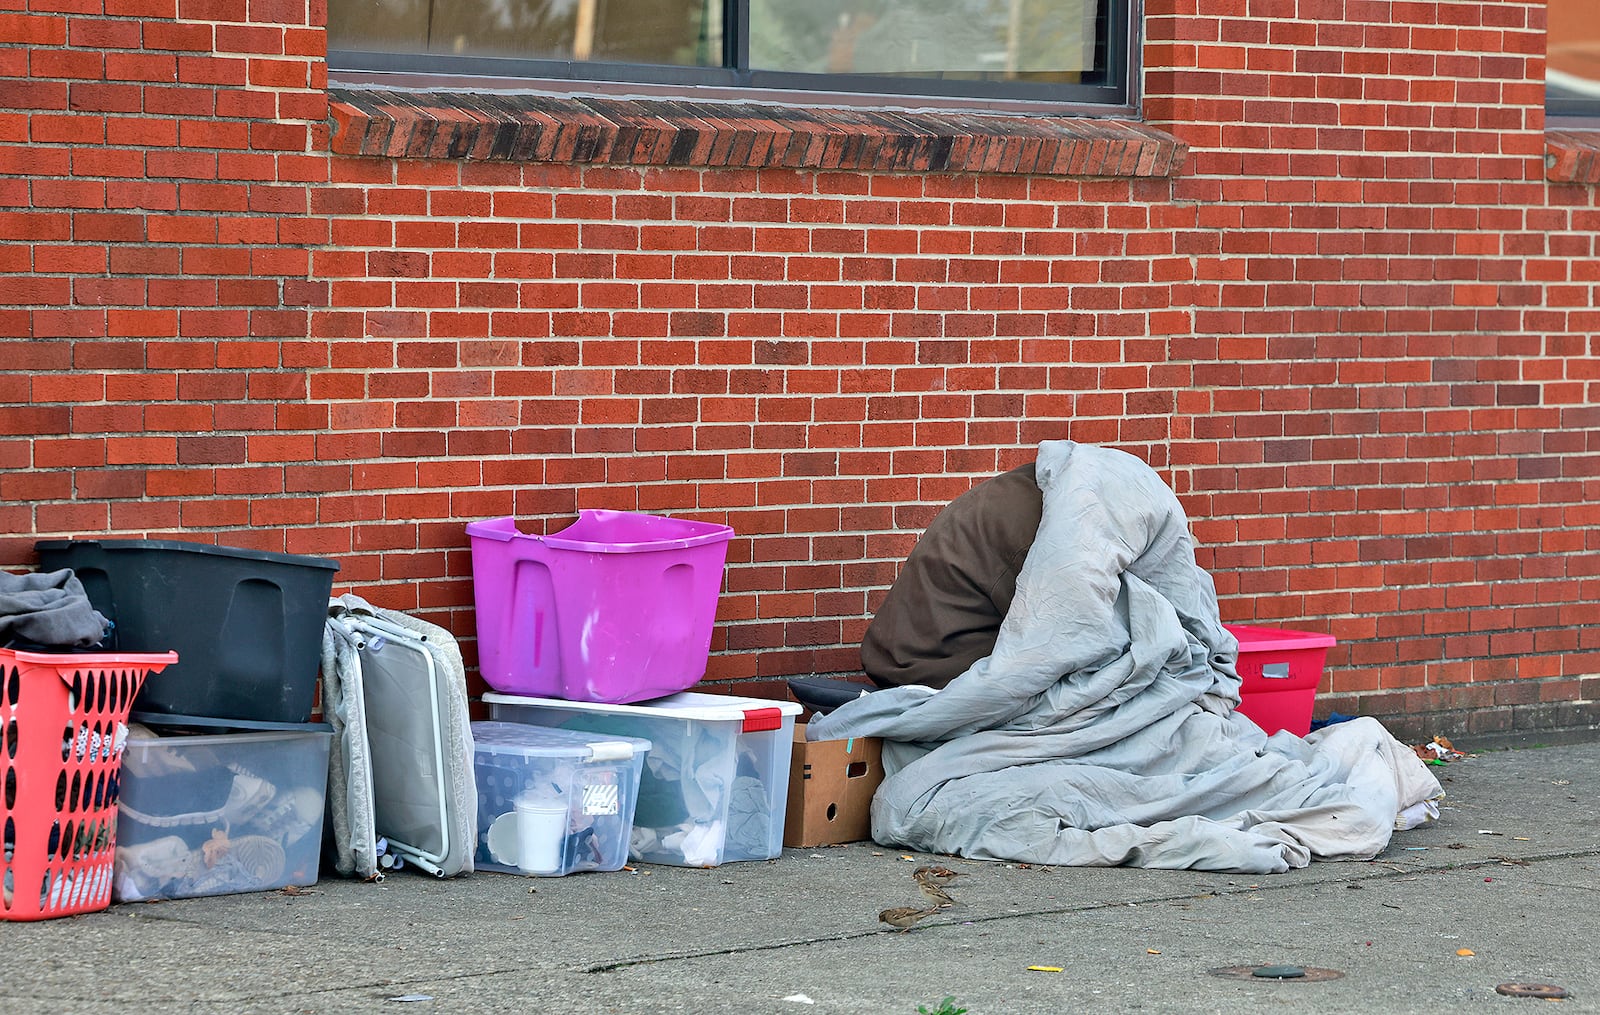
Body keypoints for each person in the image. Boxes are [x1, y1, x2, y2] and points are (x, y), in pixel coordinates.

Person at [859, 461, 1043, 690]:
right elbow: (1047, 630)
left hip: (898, 656)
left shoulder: (1017, 490)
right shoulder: (1031, 520)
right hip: (927, 669)